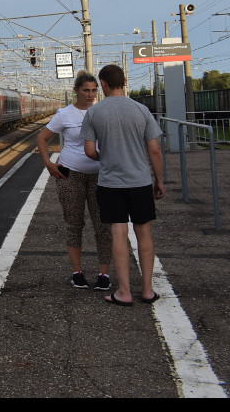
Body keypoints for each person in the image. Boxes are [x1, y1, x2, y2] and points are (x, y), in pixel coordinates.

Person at [80, 64, 165, 306]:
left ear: (103, 84)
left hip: (111, 183)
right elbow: (155, 150)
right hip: (139, 182)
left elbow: (89, 151)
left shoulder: (94, 113)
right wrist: (158, 180)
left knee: (119, 233)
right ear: (124, 81)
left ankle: (124, 292)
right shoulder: (141, 110)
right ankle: (148, 290)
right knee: (144, 232)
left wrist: (103, 157)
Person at [37, 71, 111, 290]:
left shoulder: (102, 112)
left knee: (103, 226)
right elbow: (42, 138)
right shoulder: (65, 114)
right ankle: (77, 273)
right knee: (74, 224)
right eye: (86, 90)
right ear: (76, 91)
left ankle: (103, 275)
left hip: (101, 176)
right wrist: (49, 164)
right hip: (70, 175)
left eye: (94, 90)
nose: (90, 95)